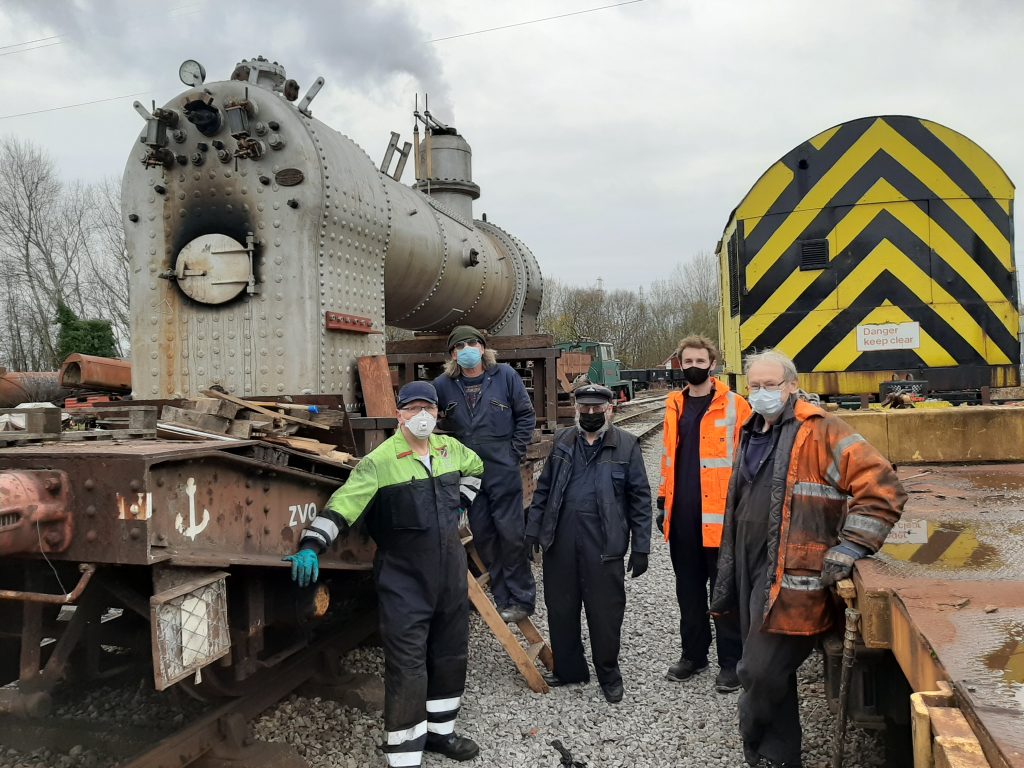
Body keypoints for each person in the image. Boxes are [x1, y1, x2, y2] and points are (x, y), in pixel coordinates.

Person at [709, 349, 906, 768]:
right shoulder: (752, 430)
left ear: (793, 386)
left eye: (771, 385)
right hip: (749, 565)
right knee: (770, 669)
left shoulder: (820, 430)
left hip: (792, 575)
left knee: (759, 670)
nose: (762, 393)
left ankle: (753, 739)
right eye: (755, 386)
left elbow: (884, 486)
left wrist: (853, 544)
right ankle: (777, 756)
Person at [285, 381, 485, 768]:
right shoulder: (379, 461)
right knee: (408, 665)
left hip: (449, 575)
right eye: (413, 409)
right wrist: (312, 544)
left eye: (429, 408)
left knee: (450, 654)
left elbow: (477, 468)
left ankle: (441, 733)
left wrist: (462, 501)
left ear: (438, 414)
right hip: (404, 579)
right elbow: (344, 506)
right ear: (400, 414)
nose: (422, 416)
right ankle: (405, 753)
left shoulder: (450, 449)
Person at [525, 383, 652, 704]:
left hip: (604, 545)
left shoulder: (625, 446)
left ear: (609, 409)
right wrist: (533, 530)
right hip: (562, 541)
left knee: (605, 613)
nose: (591, 414)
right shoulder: (564, 441)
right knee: (561, 609)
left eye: (597, 409)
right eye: (585, 409)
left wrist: (641, 545)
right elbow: (544, 489)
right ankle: (570, 669)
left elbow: (640, 499)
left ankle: (609, 672)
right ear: (577, 409)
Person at [657, 335, 751, 693]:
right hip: (682, 518)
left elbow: (748, 462)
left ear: (713, 364)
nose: (693, 367)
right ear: (679, 363)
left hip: (722, 519)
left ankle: (731, 662)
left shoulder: (736, 406)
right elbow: (668, 459)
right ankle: (693, 655)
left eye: (700, 361)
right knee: (689, 591)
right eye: (687, 361)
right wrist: (663, 501)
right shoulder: (673, 404)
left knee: (724, 592)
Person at [433, 325, 537, 624]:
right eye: (458, 347)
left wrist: (513, 452)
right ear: (452, 354)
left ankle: (523, 598)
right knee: (484, 535)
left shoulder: (504, 376)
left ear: (482, 348)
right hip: (469, 471)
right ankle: (505, 598)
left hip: (502, 467)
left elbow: (526, 415)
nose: (465, 350)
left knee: (511, 535)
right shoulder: (444, 384)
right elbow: (429, 414)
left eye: (471, 344)